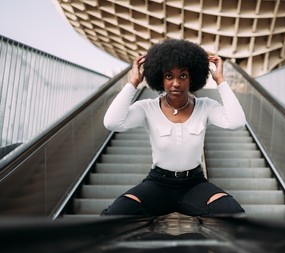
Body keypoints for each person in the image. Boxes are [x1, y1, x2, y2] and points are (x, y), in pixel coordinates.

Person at [101, 39, 246, 217]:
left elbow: (237, 122)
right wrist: (133, 83)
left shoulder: (206, 106)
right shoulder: (147, 107)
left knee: (233, 212)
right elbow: (112, 122)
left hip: (194, 184)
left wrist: (221, 81)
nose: (176, 83)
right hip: (157, 184)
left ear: (192, 78)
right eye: (169, 76)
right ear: (160, 79)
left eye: (182, 76)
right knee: (116, 213)